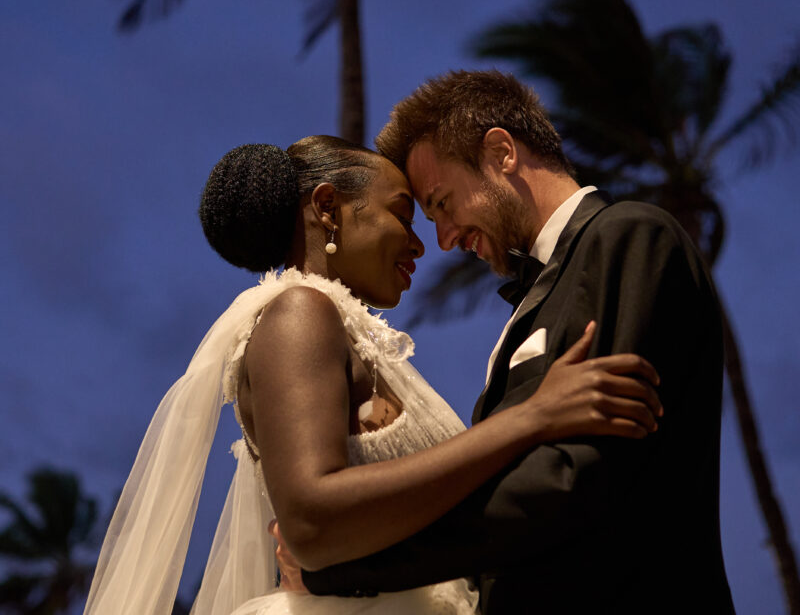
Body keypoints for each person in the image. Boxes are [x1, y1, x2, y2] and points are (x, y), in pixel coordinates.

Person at [82, 135, 663, 615]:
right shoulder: (298, 313)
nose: (420, 244)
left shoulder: (350, 333)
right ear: (328, 207)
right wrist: (534, 417)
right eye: (403, 215)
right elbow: (310, 518)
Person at [300, 71, 735, 613]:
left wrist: (349, 563)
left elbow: (577, 477)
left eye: (442, 202)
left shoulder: (630, 236)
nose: (445, 239)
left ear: (502, 151)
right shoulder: (541, 292)